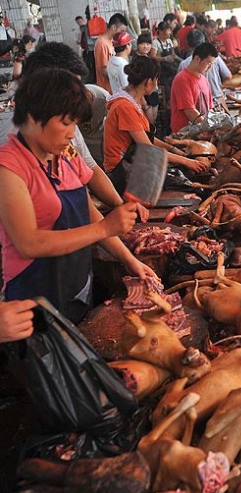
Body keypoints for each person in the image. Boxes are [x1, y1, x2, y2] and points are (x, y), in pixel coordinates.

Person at [0, 68, 156, 323]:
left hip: (77, 283)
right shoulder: (9, 167)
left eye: (74, 124)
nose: (72, 133)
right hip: (33, 298)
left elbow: (88, 213)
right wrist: (106, 228)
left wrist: (130, 260)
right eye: (65, 123)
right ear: (32, 116)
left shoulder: (66, 156)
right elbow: (28, 243)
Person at [5, 41, 124, 211]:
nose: (78, 95)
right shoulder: (14, 157)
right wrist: (104, 229)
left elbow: (90, 168)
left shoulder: (64, 126)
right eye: (69, 89)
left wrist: (120, 206)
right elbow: (30, 237)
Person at [104, 56, 207, 194]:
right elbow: (148, 149)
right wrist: (186, 161)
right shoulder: (124, 106)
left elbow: (146, 137)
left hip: (133, 162)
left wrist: (173, 148)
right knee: (191, 187)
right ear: (149, 81)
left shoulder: (132, 100)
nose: (157, 84)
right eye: (156, 80)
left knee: (180, 173)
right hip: (122, 172)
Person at [178, 28, 232, 113]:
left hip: (197, 107)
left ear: (188, 45)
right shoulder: (215, 58)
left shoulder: (183, 64)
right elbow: (228, 76)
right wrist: (219, 87)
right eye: (208, 64)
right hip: (214, 102)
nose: (209, 67)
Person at [170, 42, 218, 134]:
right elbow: (190, 112)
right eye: (208, 63)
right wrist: (210, 128)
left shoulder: (204, 79)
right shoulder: (182, 79)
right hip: (185, 133)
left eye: (212, 64)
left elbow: (210, 108)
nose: (210, 68)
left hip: (201, 130)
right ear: (197, 59)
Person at [94, 12, 128, 93]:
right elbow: (103, 70)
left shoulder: (112, 41)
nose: (122, 34)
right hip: (107, 89)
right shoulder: (101, 43)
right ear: (113, 27)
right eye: (121, 30)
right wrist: (121, 75)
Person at [150, 21, 181, 101]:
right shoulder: (155, 42)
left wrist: (180, 60)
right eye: (167, 31)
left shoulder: (169, 41)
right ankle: (169, 102)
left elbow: (173, 54)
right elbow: (152, 56)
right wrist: (164, 59)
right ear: (161, 31)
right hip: (162, 71)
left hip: (172, 68)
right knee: (168, 89)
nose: (169, 33)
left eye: (169, 31)